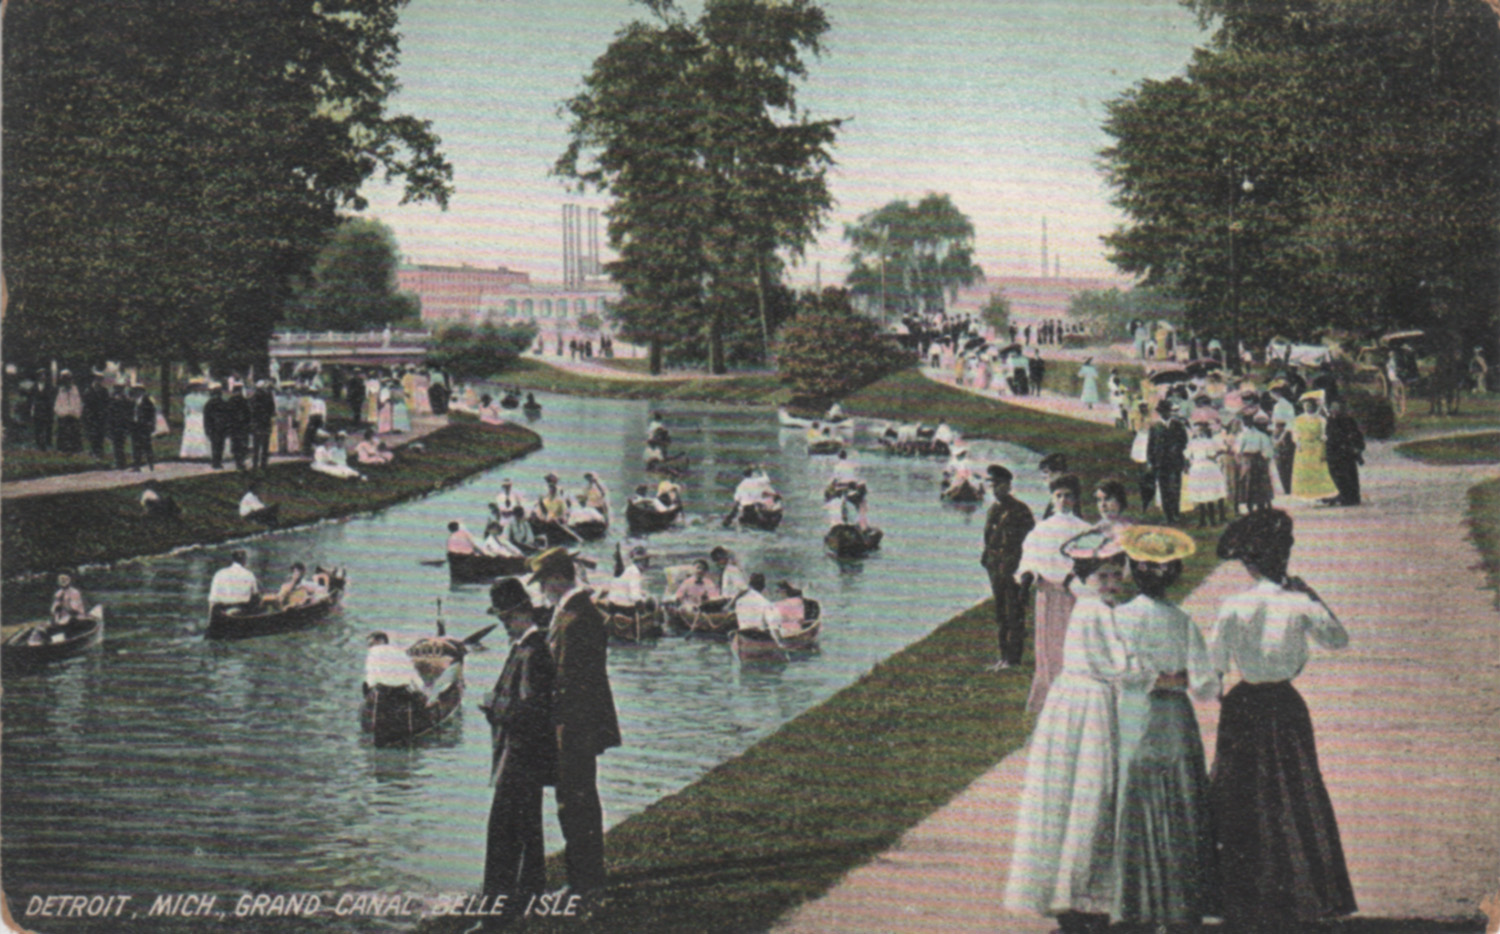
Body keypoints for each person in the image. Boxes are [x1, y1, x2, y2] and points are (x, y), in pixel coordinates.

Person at [1209, 510, 1356, 931]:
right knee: (1295, 790)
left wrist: (1218, 690)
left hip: (1245, 703)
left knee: (1240, 791)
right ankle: (1303, 888)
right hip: (1285, 704)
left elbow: (1214, 663)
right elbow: (1338, 639)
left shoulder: (1235, 604)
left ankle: (1242, 891)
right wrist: (1312, 594)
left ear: (1249, 564)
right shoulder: (1298, 603)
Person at [1002, 553, 1132, 933]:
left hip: (1068, 700)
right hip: (1091, 703)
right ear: (1089, 580)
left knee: (1066, 789)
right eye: (1103, 577)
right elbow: (1121, 663)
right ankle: (1084, 892)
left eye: (1116, 577)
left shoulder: (1087, 606)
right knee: (1093, 789)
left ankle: (1068, 889)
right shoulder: (1101, 612)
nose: (1111, 584)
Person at [1110, 526, 1217, 930]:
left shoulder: (1119, 618)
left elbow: (1119, 673)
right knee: (1179, 803)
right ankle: (1178, 904)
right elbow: (1205, 684)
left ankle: (1133, 902)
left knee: (1135, 802)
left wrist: (1150, 678)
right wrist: (1176, 678)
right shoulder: (1182, 620)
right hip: (1174, 716)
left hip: (1136, 714)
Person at [531, 547, 621, 903]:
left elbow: (568, 681)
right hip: (578, 723)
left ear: (556, 578)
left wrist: (548, 719)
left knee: (575, 802)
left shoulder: (574, 618)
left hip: (573, 726)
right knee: (579, 799)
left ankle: (584, 882)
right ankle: (587, 876)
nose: (541, 590)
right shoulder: (575, 612)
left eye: (542, 583)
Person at [478, 582, 557, 924]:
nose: (504, 626)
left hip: (520, 755)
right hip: (521, 754)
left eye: (507, 619)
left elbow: (533, 709)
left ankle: (498, 909)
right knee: (526, 828)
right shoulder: (530, 648)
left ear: (522, 614)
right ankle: (528, 897)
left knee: (503, 831)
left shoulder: (533, 650)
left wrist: (495, 707)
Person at [1017, 475, 1092, 714]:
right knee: (1048, 645)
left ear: (1076, 498)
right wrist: (1028, 574)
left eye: (1068, 495)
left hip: (1073, 595)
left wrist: (1077, 579)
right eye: (1058, 496)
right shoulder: (1041, 529)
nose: (1063, 500)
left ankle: (1074, 696)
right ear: (1052, 499)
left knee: (1072, 643)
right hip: (1047, 594)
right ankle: (1049, 694)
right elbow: (1030, 555)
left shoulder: (1084, 529)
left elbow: (1090, 563)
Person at [981, 465, 1037, 672]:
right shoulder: (994, 509)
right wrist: (987, 560)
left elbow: (1030, 542)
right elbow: (989, 539)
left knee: (1014, 613)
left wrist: (1023, 570)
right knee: (1000, 614)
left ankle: (1013, 659)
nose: (995, 489)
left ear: (1008, 485)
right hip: (996, 569)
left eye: (999, 485)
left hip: (1013, 568)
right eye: (992, 485)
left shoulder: (1020, 510)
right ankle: (1003, 656)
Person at [1146, 401, 1188, 523]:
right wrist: (1150, 462)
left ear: (1169, 411)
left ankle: (1176, 513)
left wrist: (1177, 448)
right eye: (1161, 412)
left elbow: (1184, 441)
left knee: (1175, 487)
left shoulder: (1177, 425)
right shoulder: (1155, 427)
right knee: (1164, 489)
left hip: (1175, 461)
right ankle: (1168, 515)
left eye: (1166, 411)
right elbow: (1151, 446)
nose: (1164, 414)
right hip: (1160, 463)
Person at [1291, 391, 1337, 501]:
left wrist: (1322, 447)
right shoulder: (1298, 419)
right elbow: (1295, 433)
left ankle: (1320, 495)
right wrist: (1298, 443)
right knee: (1305, 472)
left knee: (1318, 471)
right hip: (1303, 447)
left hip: (1317, 447)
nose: (1308, 408)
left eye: (1310, 405)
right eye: (1305, 406)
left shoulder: (1321, 420)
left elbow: (1323, 435)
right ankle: (1307, 495)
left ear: (1315, 406)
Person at [1185, 420, 1228, 527]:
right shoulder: (1208, 442)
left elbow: (1187, 455)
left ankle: (1204, 520)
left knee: (1202, 493)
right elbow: (1212, 455)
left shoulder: (1194, 442)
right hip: (1206, 466)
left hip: (1199, 467)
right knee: (1208, 493)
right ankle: (1210, 520)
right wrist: (1219, 452)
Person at [1323, 401, 1365, 507]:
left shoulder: (1348, 421)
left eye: (1337, 408)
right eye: (1333, 408)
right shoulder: (1329, 421)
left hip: (1346, 452)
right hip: (1333, 452)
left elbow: (1356, 435)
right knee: (1337, 476)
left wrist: (1358, 448)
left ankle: (1352, 497)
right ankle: (1342, 495)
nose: (1335, 411)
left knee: (1349, 475)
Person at [1236, 412, 1277, 512]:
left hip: (1257, 459)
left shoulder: (1260, 435)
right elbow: (1238, 451)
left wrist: (1265, 460)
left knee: (1260, 482)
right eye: (1245, 421)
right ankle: (1250, 504)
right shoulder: (1242, 435)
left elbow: (1267, 451)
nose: (1247, 423)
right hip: (1247, 460)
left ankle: (1261, 503)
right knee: (1248, 482)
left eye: (1249, 420)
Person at [53, 370, 84, 454]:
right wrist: (62, 412)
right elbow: (57, 404)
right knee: (63, 432)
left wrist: (75, 413)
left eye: (68, 379)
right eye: (64, 379)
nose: (66, 381)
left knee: (74, 432)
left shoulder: (75, 390)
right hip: (64, 415)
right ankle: (63, 449)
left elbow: (78, 403)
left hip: (73, 415)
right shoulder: (60, 391)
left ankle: (75, 450)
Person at [105, 384, 133, 470]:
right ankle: (120, 461)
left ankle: (121, 462)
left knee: (120, 443)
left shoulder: (125, 400)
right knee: (117, 444)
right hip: (115, 424)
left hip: (122, 424)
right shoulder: (112, 399)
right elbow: (109, 412)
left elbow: (129, 412)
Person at [251, 380, 276, 471]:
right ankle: (263, 463)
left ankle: (255, 463)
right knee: (264, 444)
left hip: (257, 423)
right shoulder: (268, 397)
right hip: (265, 423)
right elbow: (272, 411)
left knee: (256, 445)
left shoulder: (254, 398)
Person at [227, 382, 252, 471]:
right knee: (243, 443)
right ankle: (241, 461)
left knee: (235, 444)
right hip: (243, 426)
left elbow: (228, 414)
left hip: (234, 426)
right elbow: (248, 414)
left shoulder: (230, 401)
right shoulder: (244, 401)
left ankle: (238, 462)